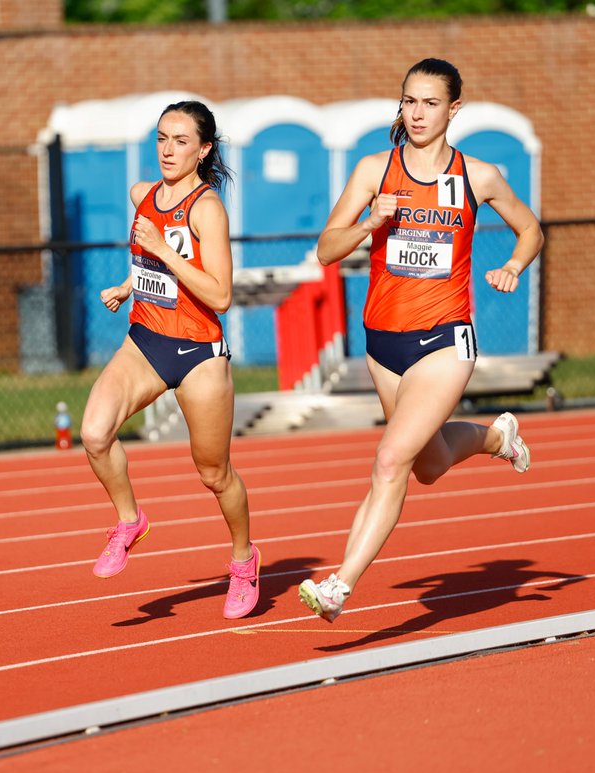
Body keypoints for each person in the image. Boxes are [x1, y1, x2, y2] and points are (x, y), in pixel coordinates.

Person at [297, 58, 544, 623]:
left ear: (453, 110)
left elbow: (531, 229)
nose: (417, 113)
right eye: (410, 101)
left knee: (390, 462)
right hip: (383, 342)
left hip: (445, 339)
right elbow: (327, 249)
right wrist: (369, 223)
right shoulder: (372, 171)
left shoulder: (477, 176)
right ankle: (495, 437)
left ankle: (339, 586)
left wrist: (512, 264)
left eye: (430, 103)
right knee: (427, 465)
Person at [80, 100, 259, 620]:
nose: (168, 150)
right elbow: (146, 261)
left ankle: (244, 561)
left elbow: (220, 295)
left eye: (181, 141)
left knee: (213, 473)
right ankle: (128, 519)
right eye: (162, 138)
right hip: (146, 341)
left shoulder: (207, 209)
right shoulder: (141, 195)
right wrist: (127, 283)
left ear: (203, 150)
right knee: (94, 433)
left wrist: (163, 249)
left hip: (200, 353)